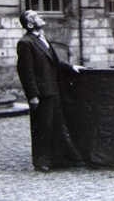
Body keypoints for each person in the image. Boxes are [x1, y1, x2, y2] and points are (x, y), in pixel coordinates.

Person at [16, 9, 84, 172]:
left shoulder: (43, 39)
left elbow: (56, 61)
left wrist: (72, 67)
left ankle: (57, 159)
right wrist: (32, 96)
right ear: (30, 24)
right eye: (35, 16)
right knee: (42, 128)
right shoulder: (25, 42)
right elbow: (26, 71)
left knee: (56, 126)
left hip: (53, 90)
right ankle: (41, 162)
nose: (40, 16)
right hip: (41, 94)